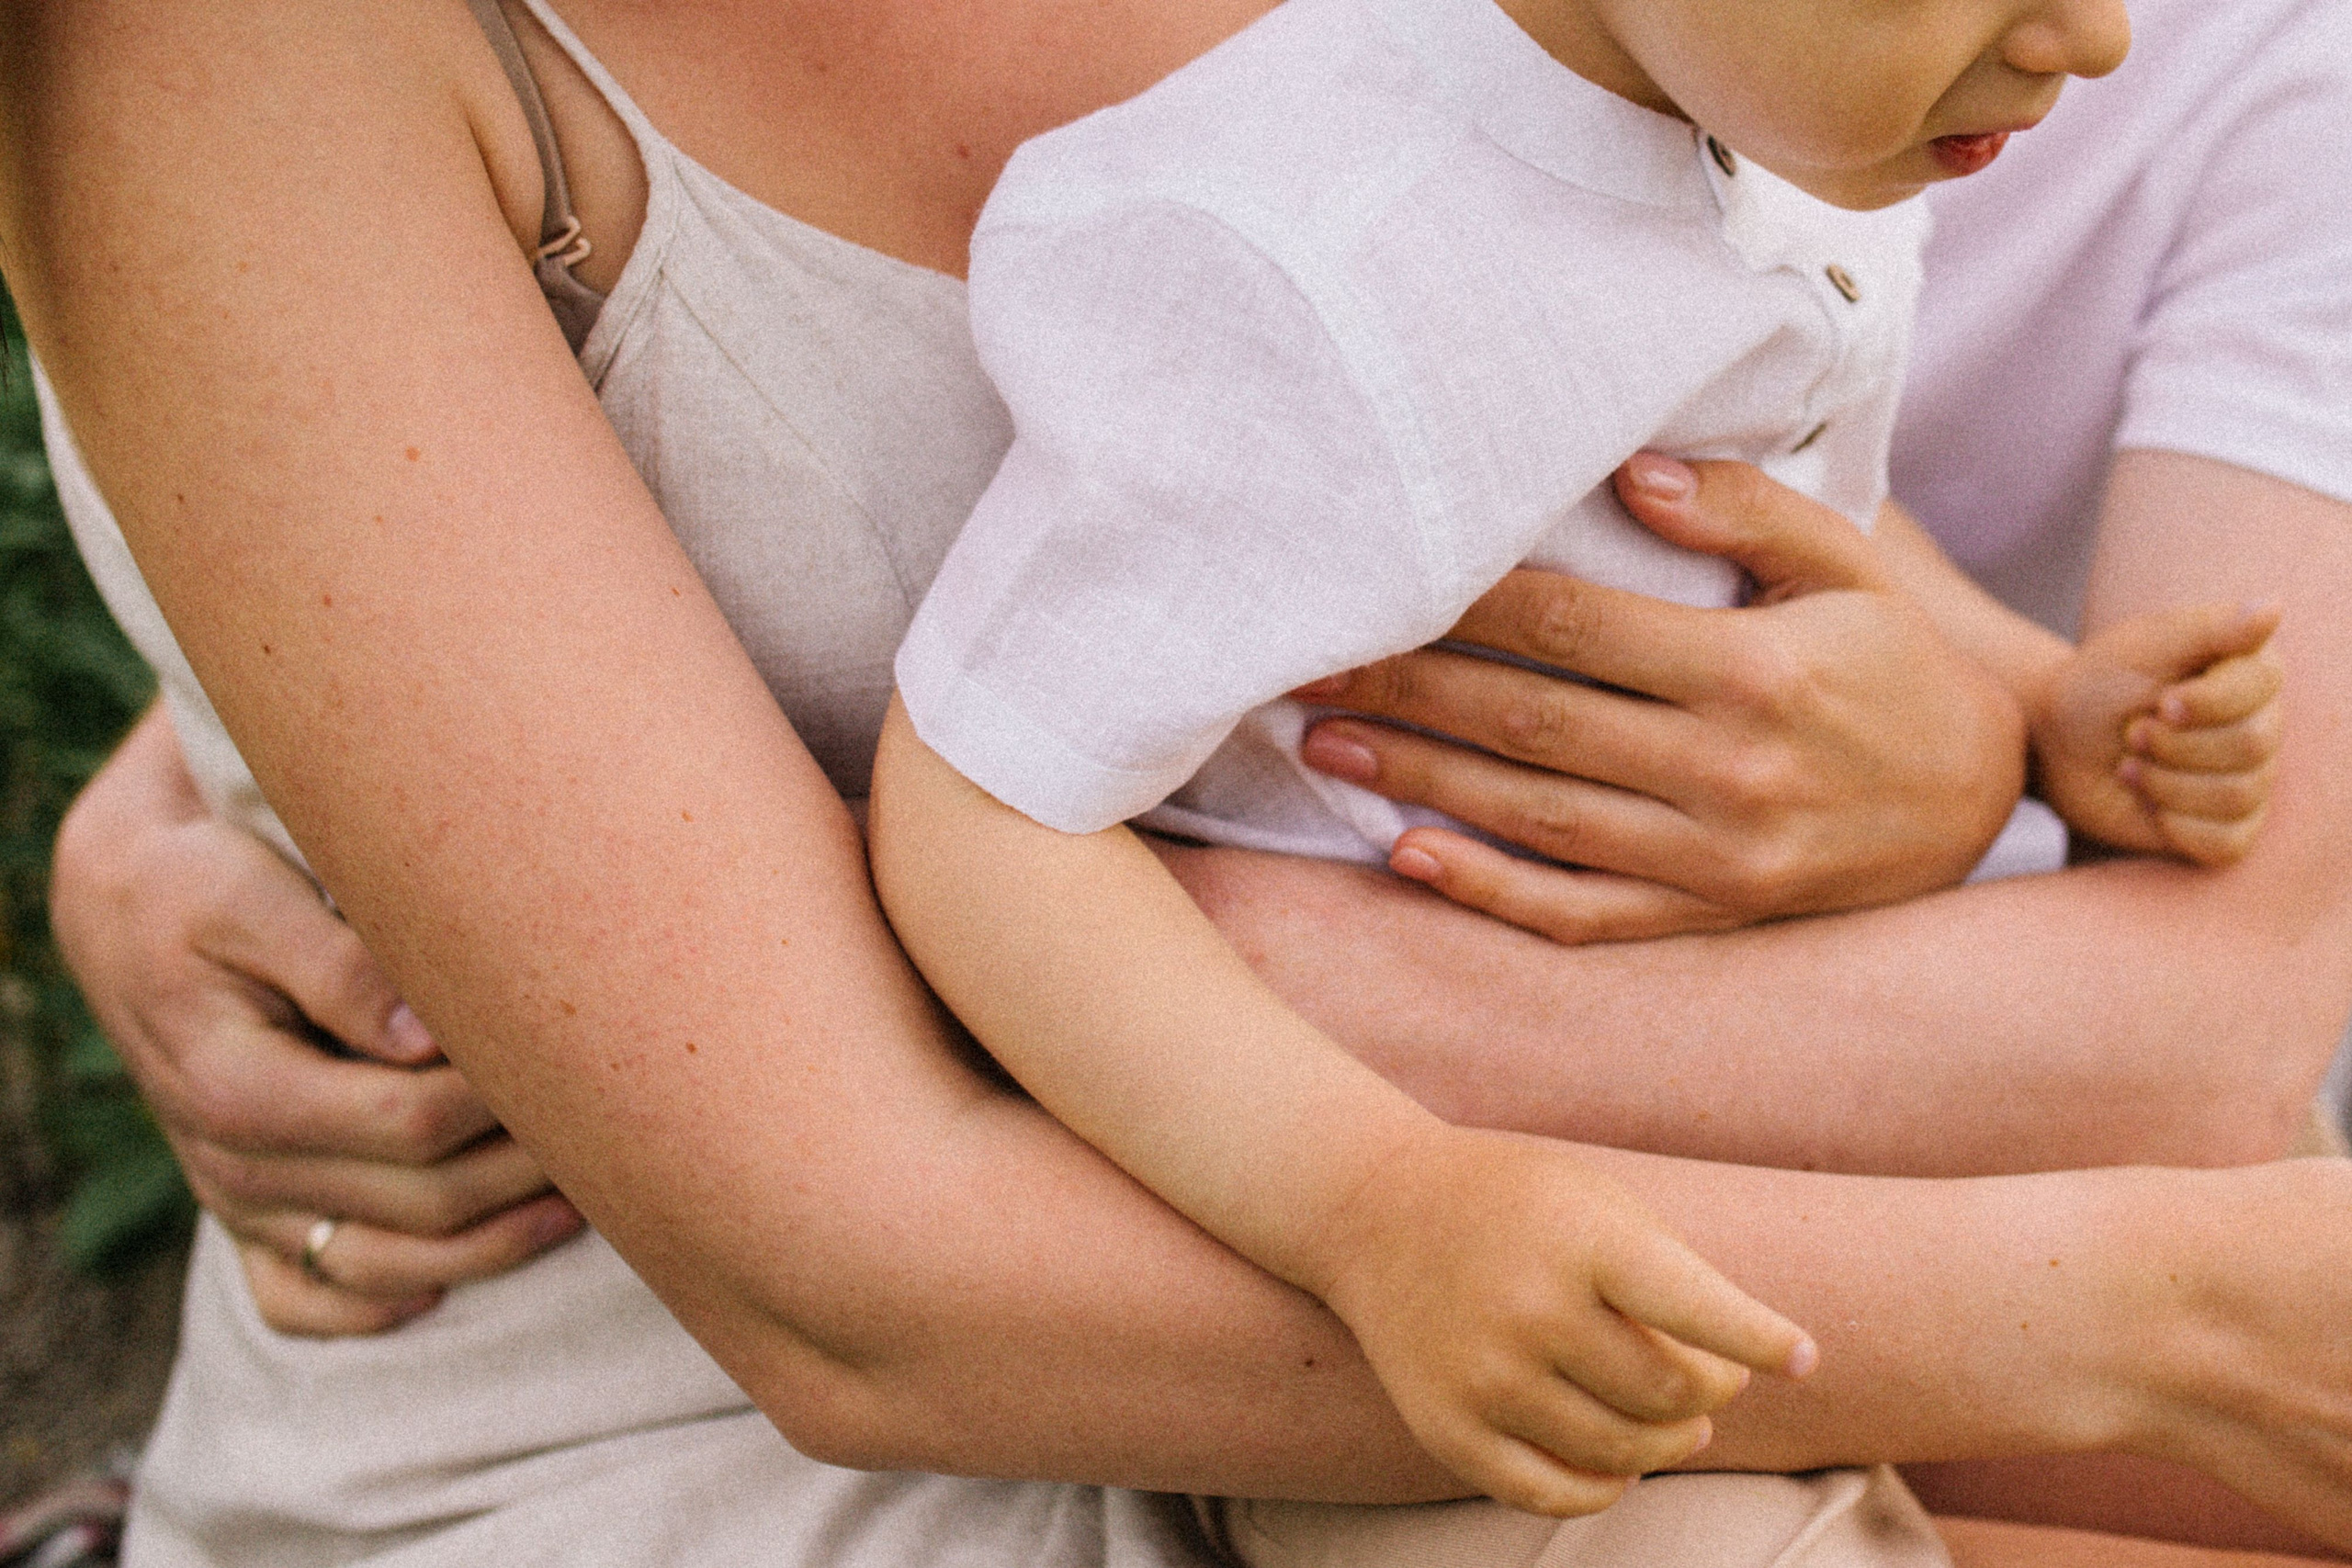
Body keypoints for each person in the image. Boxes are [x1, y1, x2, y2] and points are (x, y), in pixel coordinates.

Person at [8, 1, 2351, 1566]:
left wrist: (1977, 714)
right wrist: (2147, 1308)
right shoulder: (242, 63)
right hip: (830, 1424)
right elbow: (852, 1275)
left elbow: (1650, 419)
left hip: (1562, 1243)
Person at [870, 0, 2278, 1525]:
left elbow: (1760, 499)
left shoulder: (1774, 124)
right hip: (1452, 1255)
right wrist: (1377, 1207)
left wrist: (2038, 703)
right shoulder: (1320, 261)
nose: (2097, 36)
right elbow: (982, 799)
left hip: (1788, 1107)